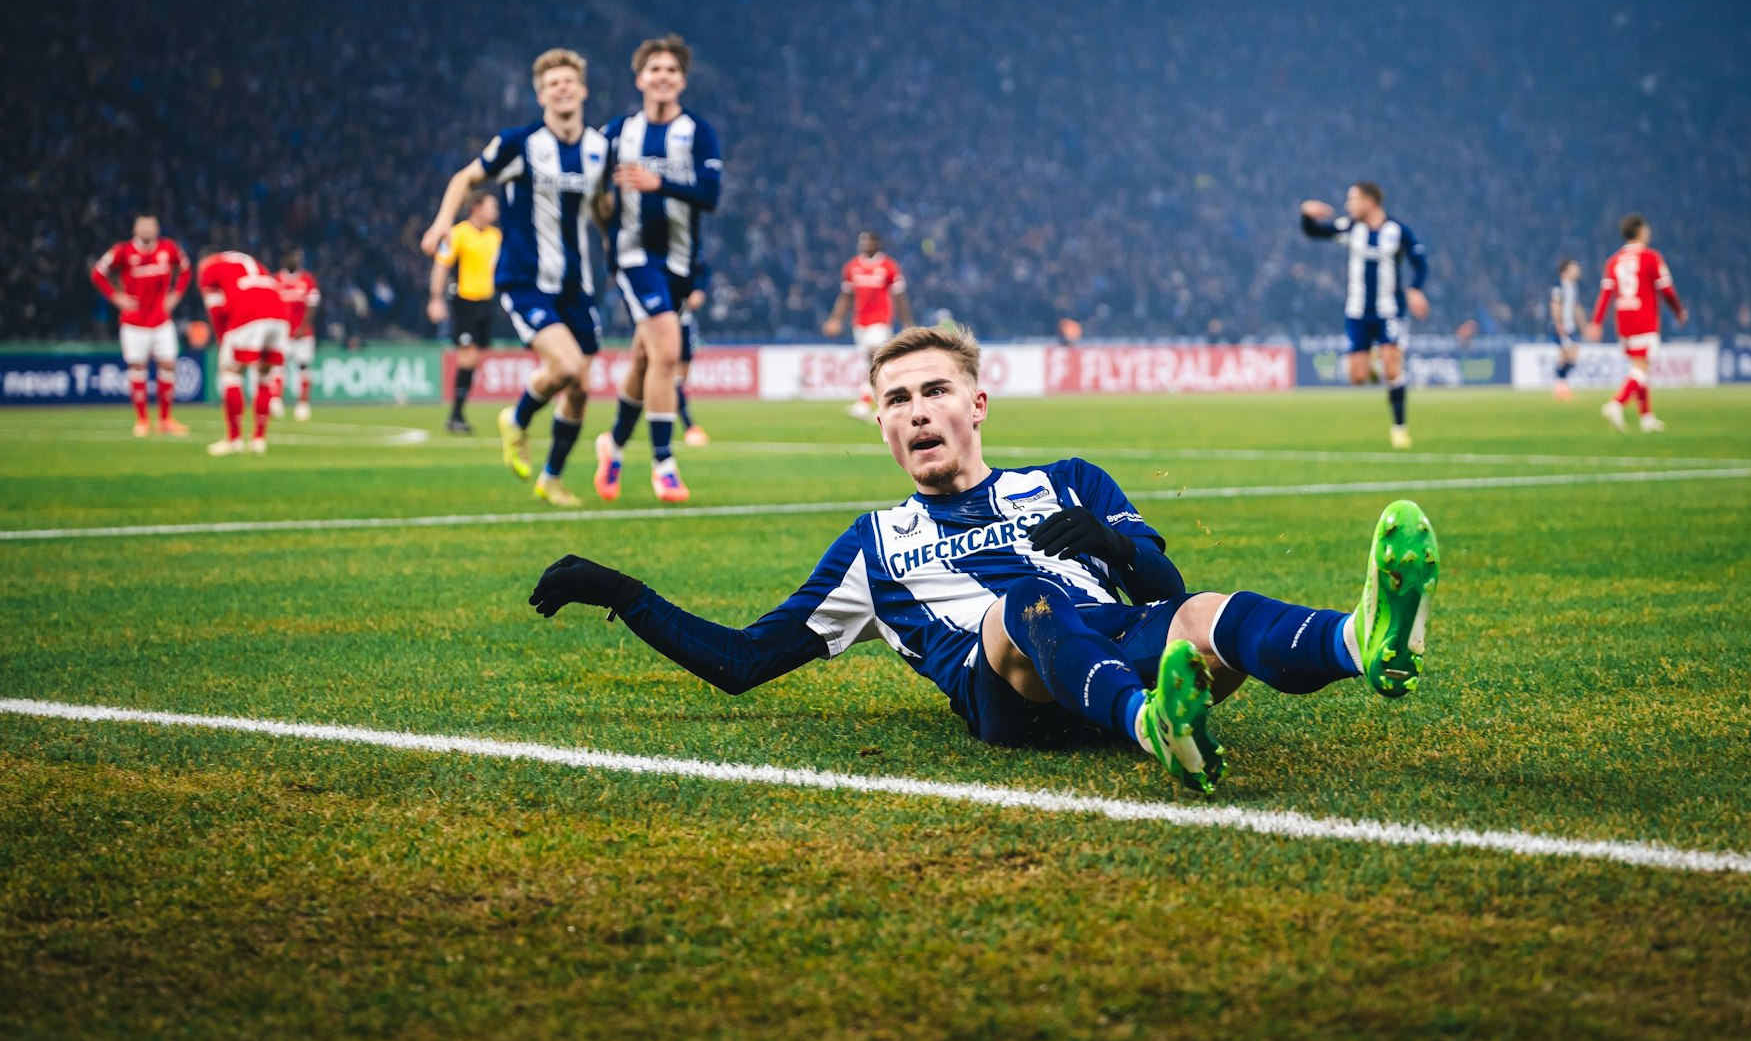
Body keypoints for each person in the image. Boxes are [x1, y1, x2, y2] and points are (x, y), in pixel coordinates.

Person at [531, 325, 1440, 795]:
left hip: (1124, 639)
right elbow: (744, 663)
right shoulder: (873, 543)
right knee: (1027, 603)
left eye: (934, 391)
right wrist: (620, 591)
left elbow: (1160, 587)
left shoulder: (1066, 478)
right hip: (1011, 687)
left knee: (1207, 610)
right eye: (897, 399)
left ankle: (1366, 642)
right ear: (881, 422)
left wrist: (1118, 543)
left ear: (978, 404)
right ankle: (1149, 725)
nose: (917, 410)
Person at [422, 48, 608, 505]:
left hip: (576, 285)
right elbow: (466, 179)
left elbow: (602, 209)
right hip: (525, 278)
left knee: (581, 388)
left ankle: (551, 477)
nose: (562, 88)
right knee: (563, 368)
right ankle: (517, 418)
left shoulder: (600, 149)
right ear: (541, 93)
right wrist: (443, 222)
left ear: (582, 90)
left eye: (569, 81)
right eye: (552, 83)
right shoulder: (518, 143)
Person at [594, 35, 723, 505]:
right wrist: (603, 205)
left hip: (679, 262)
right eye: (655, 70)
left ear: (682, 81)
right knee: (667, 350)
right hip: (632, 257)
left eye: (671, 70)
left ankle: (612, 445)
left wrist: (658, 183)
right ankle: (664, 464)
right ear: (640, 79)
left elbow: (709, 196)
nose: (663, 77)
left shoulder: (698, 132)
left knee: (646, 359)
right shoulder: (616, 133)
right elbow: (594, 192)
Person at [1300, 183, 1430, 449]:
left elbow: (1420, 262)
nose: (1348, 204)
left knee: (1393, 369)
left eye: (1353, 199)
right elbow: (1315, 232)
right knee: (1357, 379)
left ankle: (1399, 428)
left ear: (1370, 202)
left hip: (1389, 311)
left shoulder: (1397, 231)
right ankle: (1372, 359)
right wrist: (1306, 214)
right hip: (1357, 312)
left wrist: (1415, 288)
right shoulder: (1350, 227)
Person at [89, 213, 192, 437]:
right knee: (138, 368)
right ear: (135, 229)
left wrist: (176, 296)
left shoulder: (169, 248)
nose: (147, 230)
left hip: (161, 320)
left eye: (151, 226)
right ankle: (142, 420)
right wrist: (116, 297)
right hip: (134, 322)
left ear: (157, 228)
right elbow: (98, 272)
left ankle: (165, 420)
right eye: (142, 226)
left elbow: (185, 270)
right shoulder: (123, 251)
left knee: (168, 365)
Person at [1589, 214, 1686, 433]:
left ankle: (1646, 417)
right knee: (1642, 368)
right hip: (1644, 318)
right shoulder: (1651, 257)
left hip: (1623, 319)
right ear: (1641, 231)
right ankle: (1617, 403)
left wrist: (1596, 322)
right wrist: (1679, 311)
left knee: (1639, 367)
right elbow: (1667, 290)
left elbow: (1606, 294)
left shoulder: (1613, 261)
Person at [196, 250, 289, 456]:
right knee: (264, 375)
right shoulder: (246, 260)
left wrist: (223, 341)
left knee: (231, 372)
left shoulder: (208, 268)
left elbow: (216, 310)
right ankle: (258, 440)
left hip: (249, 312)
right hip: (279, 313)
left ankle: (234, 439)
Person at [428, 191, 503, 434]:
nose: (496, 211)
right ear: (476, 207)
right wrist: (436, 299)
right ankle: (456, 414)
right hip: (464, 301)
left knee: (475, 358)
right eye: (492, 206)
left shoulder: (496, 236)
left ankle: (457, 413)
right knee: (467, 356)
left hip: (486, 302)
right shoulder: (458, 233)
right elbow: (442, 265)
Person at [824, 230, 915, 420]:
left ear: (877, 244)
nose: (864, 245)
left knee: (876, 360)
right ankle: (880, 403)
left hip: (880, 321)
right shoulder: (852, 267)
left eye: (868, 241)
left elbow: (900, 297)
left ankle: (868, 403)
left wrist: (906, 322)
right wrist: (836, 319)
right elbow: (846, 297)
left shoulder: (889, 267)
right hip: (860, 324)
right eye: (862, 241)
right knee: (872, 366)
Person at [274, 248, 321, 422]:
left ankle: (303, 403)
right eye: (292, 257)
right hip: (282, 334)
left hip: (304, 334)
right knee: (279, 368)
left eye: (297, 257)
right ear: (284, 260)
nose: (295, 260)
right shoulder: (276, 280)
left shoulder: (307, 280)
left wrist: (304, 326)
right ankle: (277, 400)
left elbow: (313, 305)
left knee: (303, 367)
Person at [677, 254, 712, 448]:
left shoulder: (688, 249)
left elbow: (703, 268)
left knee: (679, 379)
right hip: (661, 319)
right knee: (669, 376)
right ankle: (689, 427)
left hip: (683, 319)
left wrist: (699, 289)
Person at [1549, 258, 1586, 402]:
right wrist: (1559, 324)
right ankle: (1561, 388)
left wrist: (1583, 325)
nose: (1578, 270)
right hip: (1562, 327)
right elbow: (1555, 305)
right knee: (1568, 355)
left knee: (1568, 356)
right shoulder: (1559, 286)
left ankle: (1560, 387)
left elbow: (1576, 308)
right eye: (1574, 267)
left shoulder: (1573, 287)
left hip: (1570, 327)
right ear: (1566, 270)